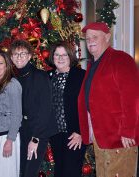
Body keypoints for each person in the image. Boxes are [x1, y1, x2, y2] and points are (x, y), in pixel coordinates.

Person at [78, 22, 139, 176]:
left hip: (119, 139)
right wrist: (89, 128)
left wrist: (128, 131)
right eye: (87, 37)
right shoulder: (93, 66)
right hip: (101, 139)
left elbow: (132, 98)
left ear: (107, 37)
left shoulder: (121, 59)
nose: (90, 40)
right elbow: (91, 101)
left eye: (95, 36)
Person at [9, 40, 57, 177]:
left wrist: (35, 139)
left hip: (38, 131)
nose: (19, 57)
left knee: (29, 172)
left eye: (23, 53)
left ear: (30, 56)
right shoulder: (14, 78)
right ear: (11, 57)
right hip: (22, 130)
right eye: (15, 54)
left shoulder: (40, 76)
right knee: (22, 170)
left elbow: (45, 110)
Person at [47, 42, 86, 177]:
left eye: (64, 55)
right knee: (59, 171)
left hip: (74, 134)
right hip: (55, 134)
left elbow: (88, 106)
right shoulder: (48, 77)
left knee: (71, 172)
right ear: (52, 57)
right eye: (57, 54)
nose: (60, 58)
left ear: (70, 57)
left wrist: (81, 132)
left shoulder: (81, 76)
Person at [0, 52, 22, 177]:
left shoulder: (12, 84)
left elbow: (17, 115)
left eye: (0, 63)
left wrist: (10, 140)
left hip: (6, 137)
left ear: (7, 65)